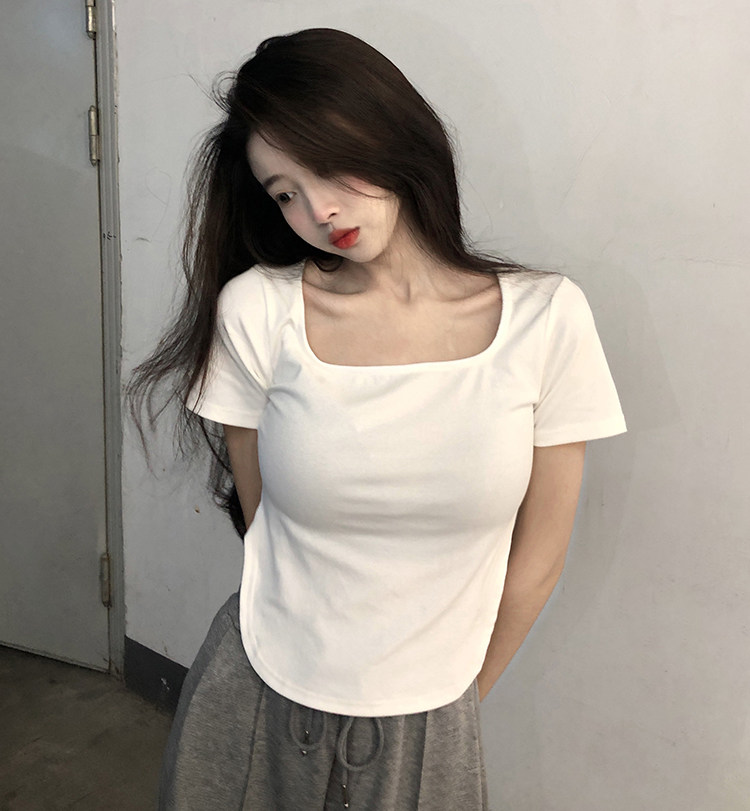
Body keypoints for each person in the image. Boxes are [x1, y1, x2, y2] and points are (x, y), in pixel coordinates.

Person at [128, 27, 626, 811]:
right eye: (283, 192)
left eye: (329, 164)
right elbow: (265, 524)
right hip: (255, 693)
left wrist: (448, 700)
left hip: (434, 715)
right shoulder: (258, 311)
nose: (318, 210)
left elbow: (539, 558)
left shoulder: (547, 319)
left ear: (392, 131)